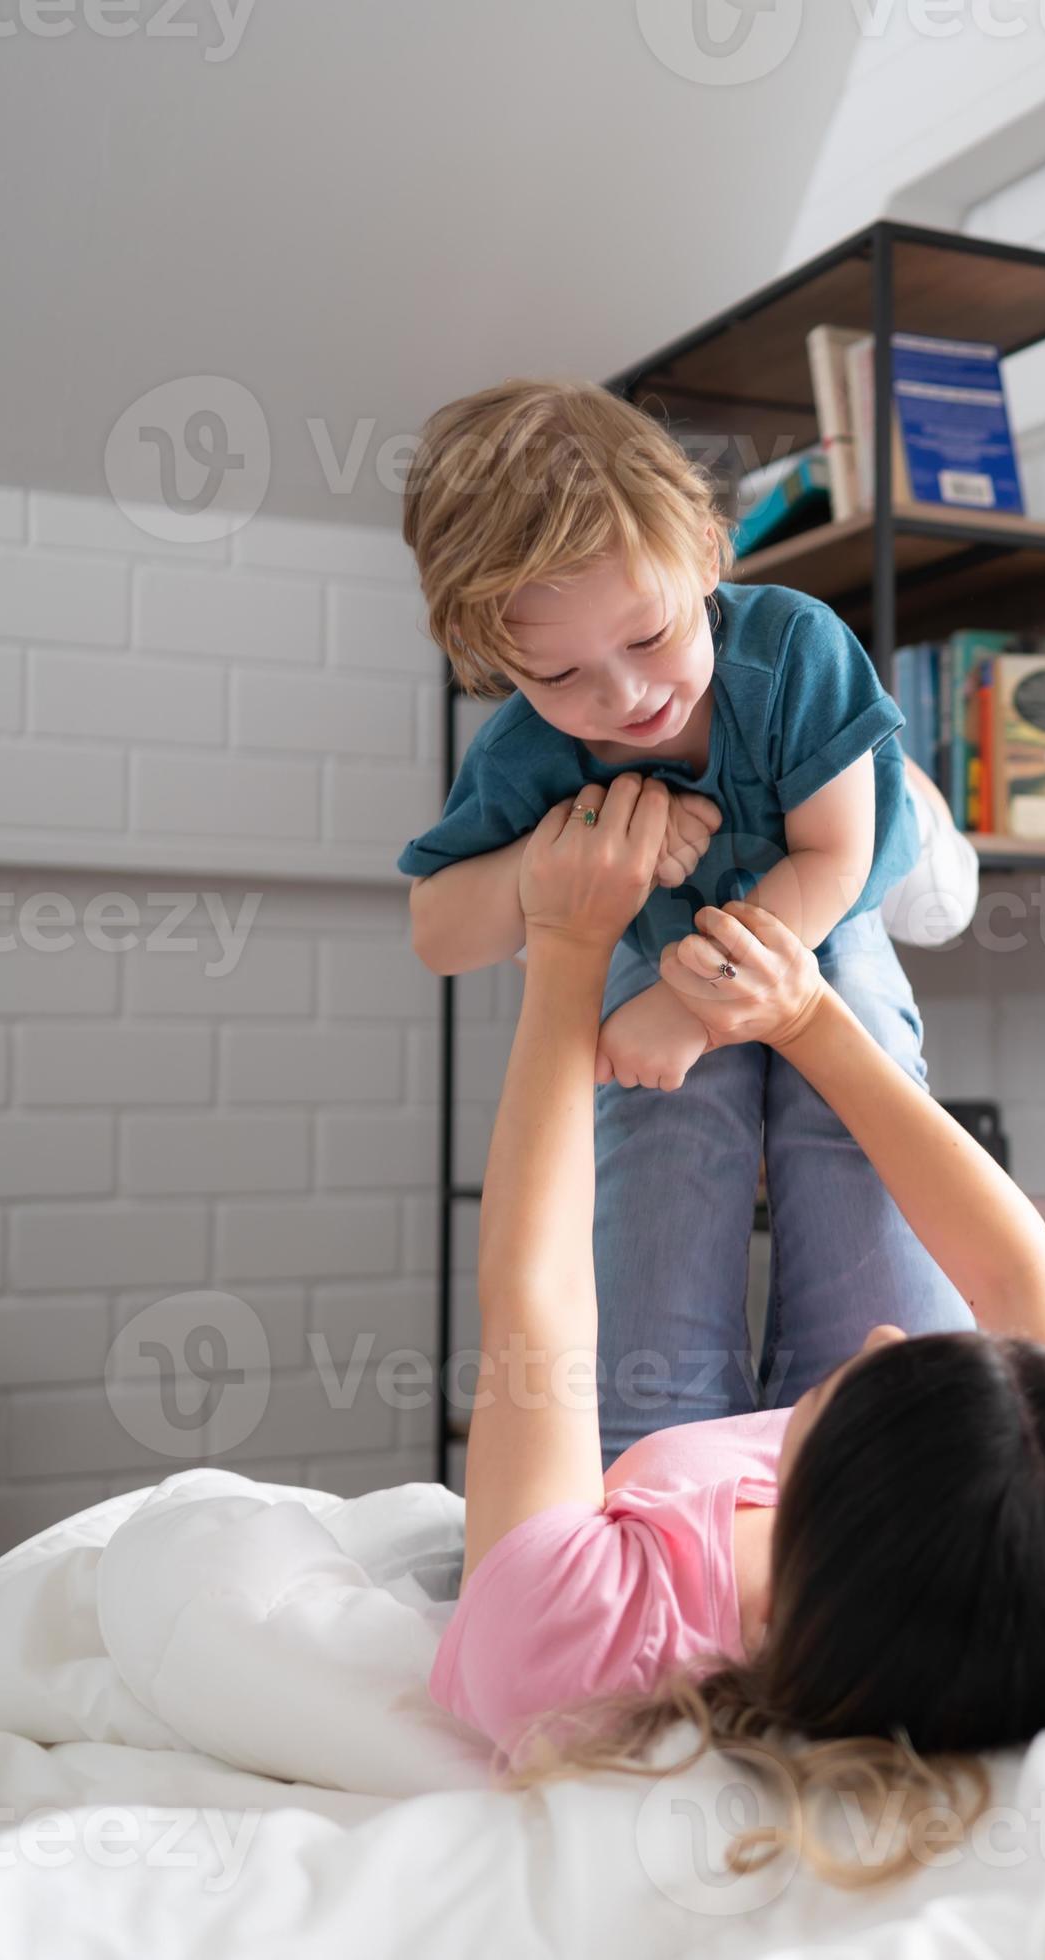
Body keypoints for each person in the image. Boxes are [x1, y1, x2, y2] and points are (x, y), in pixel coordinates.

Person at [432, 774, 1045, 1886]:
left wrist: (563, 949)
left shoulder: (578, 1640)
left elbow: (536, 1302)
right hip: (858, 1502)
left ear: (825, 1495)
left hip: (645, 1510)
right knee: (825, 959)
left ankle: (812, 817)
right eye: (944, 1353)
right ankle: (849, 806)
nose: (896, 1333)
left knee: (674, 1085)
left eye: (892, 1374)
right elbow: (1013, 1277)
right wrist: (804, 1019)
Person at [395, 378, 967, 1462]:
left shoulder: (791, 647)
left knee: (856, 1043)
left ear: (708, 553)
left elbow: (835, 858)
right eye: (559, 676)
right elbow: (439, 929)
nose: (621, 699)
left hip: (834, 877)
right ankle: (660, 1455)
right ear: (501, 668)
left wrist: (692, 1013)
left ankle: (890, 1445)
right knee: (662, 1116)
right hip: (671, 934)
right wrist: (564, 853)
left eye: (650, 637)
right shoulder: (531, 750)